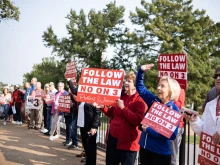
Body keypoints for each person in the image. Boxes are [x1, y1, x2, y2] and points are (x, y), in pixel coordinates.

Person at [136, 64, 181, 165]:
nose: (158, 88)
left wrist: (148, 130)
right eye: (158, 85)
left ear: (170, 90)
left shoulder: (174, 110)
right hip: (144, 148)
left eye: (162, 86)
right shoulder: (154, 101)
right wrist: (141, 72)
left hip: (160, 154)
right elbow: (140, 88)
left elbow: (172, 135)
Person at [99, 71, 147, 165]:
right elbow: (112, 113)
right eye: (125, 80)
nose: (126, 83)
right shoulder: (121, 96)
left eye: (129, 81)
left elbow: (138, 120)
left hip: (128, 143)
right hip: (113, 139)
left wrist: (123, 108)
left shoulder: (140, 100)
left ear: (135, 84)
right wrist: (103, 107)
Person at [184, 71, 220, 145]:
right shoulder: (210, 105)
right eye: (216, 76)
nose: (218, 78)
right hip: (211, 154)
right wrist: (194, 120)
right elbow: (203, 131)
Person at [170, 89, 185, 165]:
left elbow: (180, 106)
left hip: (176, 126)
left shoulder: (179, 89)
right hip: (168, 125)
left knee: (173, 156)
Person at [65, 79, 79, 150]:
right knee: (72, 127)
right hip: (75, 112)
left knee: (73, 127)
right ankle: (74, 142)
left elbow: (76, 98)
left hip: (78, 113)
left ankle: (75, 143)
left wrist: (72, 94)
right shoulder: (69, 94)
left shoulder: (76, 91)